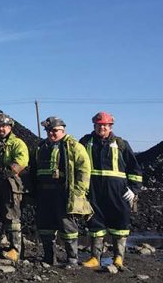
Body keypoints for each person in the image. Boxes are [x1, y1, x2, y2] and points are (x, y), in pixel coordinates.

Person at [79, 112, 143, 269]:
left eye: (105, 125)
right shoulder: (86, 142)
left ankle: (118, 258)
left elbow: (135, 169)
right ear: (94, 125)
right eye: (99, 125)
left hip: (118, 193)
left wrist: (134, 189)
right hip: (93, 190)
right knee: (94, 223)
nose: (102, 127)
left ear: (110, 126)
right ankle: (95, 257)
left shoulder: (121, 144)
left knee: (120, 223)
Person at [31, 116, 92, 266]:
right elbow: (33, 169)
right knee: (45, 226)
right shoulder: (41, 147)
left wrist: (79, 192)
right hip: (44, 194)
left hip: (63, 193)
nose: (51, 133)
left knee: (67, 226)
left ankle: (72, 258)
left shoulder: (73, 146)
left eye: (55, 130)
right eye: (49, 130)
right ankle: (49, 257)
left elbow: (84, 169)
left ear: (63, 130)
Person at [0, 112, 29, 262]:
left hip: (11, 185)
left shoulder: (17, 143)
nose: (1, 129)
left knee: (13, 216)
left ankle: (16, 250)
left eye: (4, 126)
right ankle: (11, 247)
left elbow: (21, 161)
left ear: (10, 126)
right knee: (5, 216)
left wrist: (4, 171)